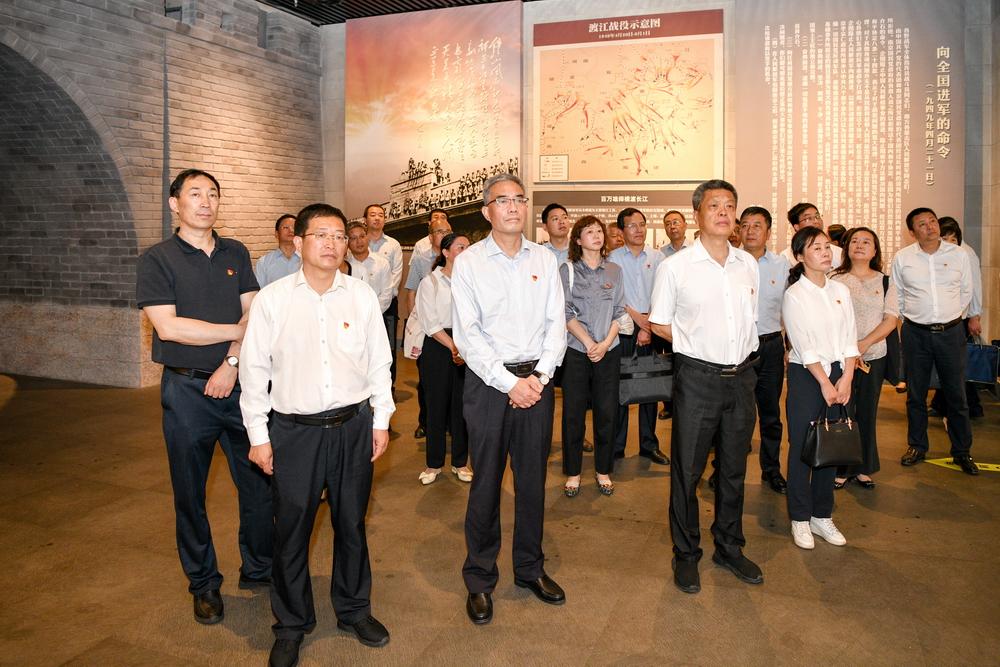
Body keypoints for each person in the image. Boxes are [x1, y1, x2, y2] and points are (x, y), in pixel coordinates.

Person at [239, 203, 394, 666]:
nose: (332, 244)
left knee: (351, 524)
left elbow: (379, 362)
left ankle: (354, 609)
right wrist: (258, 434)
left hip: (352, 427)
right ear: (298, 241)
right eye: (321, 235)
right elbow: (254, 370)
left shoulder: (360, 296)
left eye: (339, 236)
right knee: (292, 530)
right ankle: (291, 623)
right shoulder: (273, 299)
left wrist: (381, 420)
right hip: (294, 432)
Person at [135, 169, 272, 625]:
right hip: (187, 391)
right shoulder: (157, 259)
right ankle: (204, 583)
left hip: (240, 384)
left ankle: (260, 567)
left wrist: (231, 361)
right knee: (189, 492)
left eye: (213, 194)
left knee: (258, 482)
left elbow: (255, 310)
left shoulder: (236, 251)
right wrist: (237, 333)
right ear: (174, 203)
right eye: (195, 194)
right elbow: (170, 327)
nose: (205, 201)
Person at [452, 172, 567, 625]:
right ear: (487, 211)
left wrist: (538, 377)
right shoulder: (470, 263)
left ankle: (529, 568)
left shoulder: (544, 258)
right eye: (503, 200)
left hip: (537, 381)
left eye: (519, 198)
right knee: (485, 483)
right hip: (488, 384)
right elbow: (468, 334)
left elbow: (556, 323)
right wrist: (509, 383)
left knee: (533, 481)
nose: (514, 206)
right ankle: (480, 578)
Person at [649, 179, 763, 594]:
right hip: (697, 379)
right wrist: (693, 345)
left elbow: (749, 320)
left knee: (733, 469)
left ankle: (729, 547)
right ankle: (686, 553)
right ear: (697, 214)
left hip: (742, 378)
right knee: (687, 471)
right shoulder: (676, 267)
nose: (723, 212)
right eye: (714, 205)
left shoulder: (746, 264)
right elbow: (658, 322)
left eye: (730, 205)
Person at [782, 226, 858, 549]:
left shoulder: (840, 290)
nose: (825, 253)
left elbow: (851, 337)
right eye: (816, 248)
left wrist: (847, 377)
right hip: (807, 376)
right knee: (804, 445)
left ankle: (821, 515)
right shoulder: (794, 295)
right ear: (800, 256)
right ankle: (800, 518)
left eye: (827, 247)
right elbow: (803, 344)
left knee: (832, 443)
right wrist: (826, 383)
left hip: (840, 374)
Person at [892, 208, 978, 475]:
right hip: (915, 333)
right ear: (912, 232)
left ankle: (962, 451)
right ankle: (917, 445)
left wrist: (951, 317)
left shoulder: (959, 254)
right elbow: (898, 294)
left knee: (956, 394)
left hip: (951, 332)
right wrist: (914, 318)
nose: (930, 227)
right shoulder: (903, 258)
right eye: (922, 224)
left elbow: (966, 291)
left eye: (932, 221)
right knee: (916, 393)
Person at [559, 216, 625, 497]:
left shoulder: (614, 270)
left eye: (599, 231)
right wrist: (588, 343)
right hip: (577, 350)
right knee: (573, 414)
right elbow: (565, 312)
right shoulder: (568, 270)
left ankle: (603, 471)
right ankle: (573, 473)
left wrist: (605, 343)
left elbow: (619, 311)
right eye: (590, 231)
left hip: (608, 350)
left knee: (607, 413)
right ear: (578, 239)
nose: (597, 235)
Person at [830, 227, 898, 489]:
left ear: (875, 250)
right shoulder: (834, 279)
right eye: (854, 241)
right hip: (839, 357)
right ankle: (841, 467)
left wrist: (863, 344)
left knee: (867, 413)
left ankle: (863, 467)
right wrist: (849, 349)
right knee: (842, 411)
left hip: (873, 357)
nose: (859, 245)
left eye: (866, 242)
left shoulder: (885, 281)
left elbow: (890, 320)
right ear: (846, 247)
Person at [608, 208, 670, 466]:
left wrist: (647, 326)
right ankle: (616, 445)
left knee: (650, 389)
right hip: (622, 328)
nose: (638, 229)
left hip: (652, 327)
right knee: (620, 387)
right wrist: (637, 320)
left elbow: (663, 294)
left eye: (642, 224)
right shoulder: (612, 259)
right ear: (622, 231)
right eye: (632, 225)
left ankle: (649, 444)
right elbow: (613, 295)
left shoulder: (658, 258)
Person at [739, 206, 790, 494]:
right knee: (735, 414)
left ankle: (771, 469)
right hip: (738, 348)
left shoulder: (782, 266)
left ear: (768, 232)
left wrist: (791, 347)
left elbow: (791, 308)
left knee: (770, 414)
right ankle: (725, 468)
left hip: (770, 346)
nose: (750, 231)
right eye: (745, 225)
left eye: (756, 225)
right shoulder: (729, 261)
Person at [416, 232, 473, 485]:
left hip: (465, 345)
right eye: (460, 247)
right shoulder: (430, 282)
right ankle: (433, 464)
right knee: (436, 405)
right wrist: (453, 346)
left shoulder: (472, 281)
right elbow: (430, 323)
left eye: (468, 247)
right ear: (446, 252)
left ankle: (460, 462)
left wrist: (464, 347)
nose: (466, 251)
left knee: (462, 407)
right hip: (438, 346)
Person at [929, 217, 984, 420]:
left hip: (959, 317)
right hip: (944, 316)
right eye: (944, 238)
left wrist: (975, 315)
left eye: (952, 239)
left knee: (957, 365)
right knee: (948, 364)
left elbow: (974, 287)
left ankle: (971, 407)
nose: (948, 242)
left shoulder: (965, 254)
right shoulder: (938, 254)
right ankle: (942, 404)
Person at [405, 209, 453, 440]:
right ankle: (425, 422)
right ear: (431, 236)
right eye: (439, 231)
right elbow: (411, 292)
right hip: (428, 330)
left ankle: (452, 423)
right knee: (427, 382)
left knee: (454, 382)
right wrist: (414, 325)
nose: (443, 234)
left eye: (447, 231)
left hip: (452, 329)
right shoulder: (420, 259)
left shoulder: (459, 259)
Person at [364, 204, 403, 391]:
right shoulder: (358, 242)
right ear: (365, 219)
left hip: (387, 306)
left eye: (381, 215)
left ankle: (388, 387)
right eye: (372, 215)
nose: (377, 218)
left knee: (388, 347)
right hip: (360, 305)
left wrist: (380, 304)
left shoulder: (393, 244)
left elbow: (396, 276)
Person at [346, 221, 393, 313]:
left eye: (362, 236)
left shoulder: (382, 263)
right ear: (347, 242)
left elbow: (386, 295)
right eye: (353, 238)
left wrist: (371, 314)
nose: (359, 241)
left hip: (377, 314)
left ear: (368, 238)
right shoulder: (344, 266)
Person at [781, 202, 843, 269]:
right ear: (797, 227)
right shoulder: (786, 256)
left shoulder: (839, 253)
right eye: (808, 218)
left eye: (817, 216)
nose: (816, 221)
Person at [255, 213, 300, 288]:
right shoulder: (264, 262)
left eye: (294, 227)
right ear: (276, 234)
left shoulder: (308, 260)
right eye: (286, 227)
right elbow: (259, 291)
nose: (291, 230)